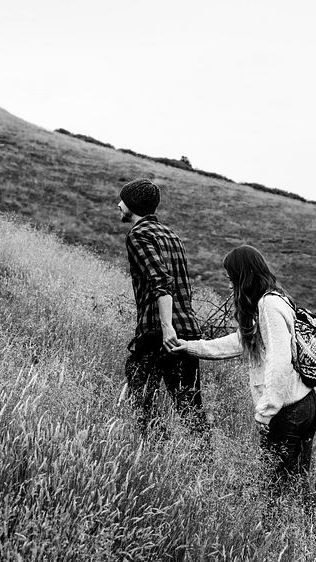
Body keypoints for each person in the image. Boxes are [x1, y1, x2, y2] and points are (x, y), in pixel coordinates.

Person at [172, 245, 316, 494]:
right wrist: (190, 347)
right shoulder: (274, 301)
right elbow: (238, 342)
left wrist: (266, 410)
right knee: (296, 487)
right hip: (303, 404)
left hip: (289, 410)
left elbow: (280, 360)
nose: (230, 286)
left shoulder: (269, 306)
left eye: (232, 279)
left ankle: (273, 532)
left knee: (270, 489)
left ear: (244, 277)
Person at [118, 178, 207, 436]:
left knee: (140, 392)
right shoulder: (172, 236)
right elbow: (181, 286)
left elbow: (161, 282)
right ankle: (203, 464)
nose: (118, 205)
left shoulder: (138, 234)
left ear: (133, 204)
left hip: (159, 331)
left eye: (122, 201)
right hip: (187, 330)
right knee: (190, 408)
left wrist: (167, 327)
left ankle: (156, 449)